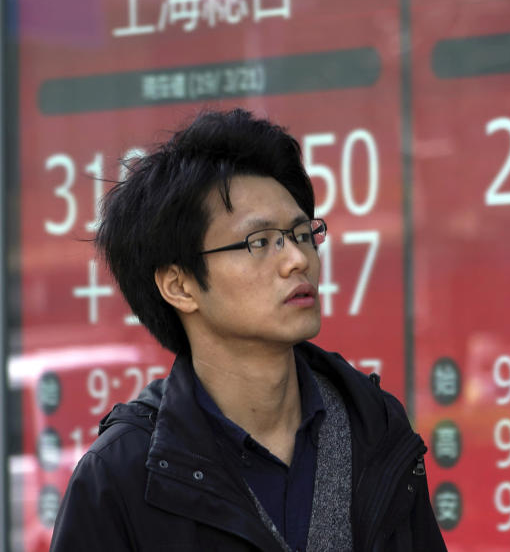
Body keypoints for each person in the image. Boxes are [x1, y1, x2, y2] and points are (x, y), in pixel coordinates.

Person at [50, 109, 447, 551]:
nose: (298, 259)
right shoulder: (122, 475)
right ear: (180, 286)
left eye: (301, 234)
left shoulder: (375, 429)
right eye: (259, 242)